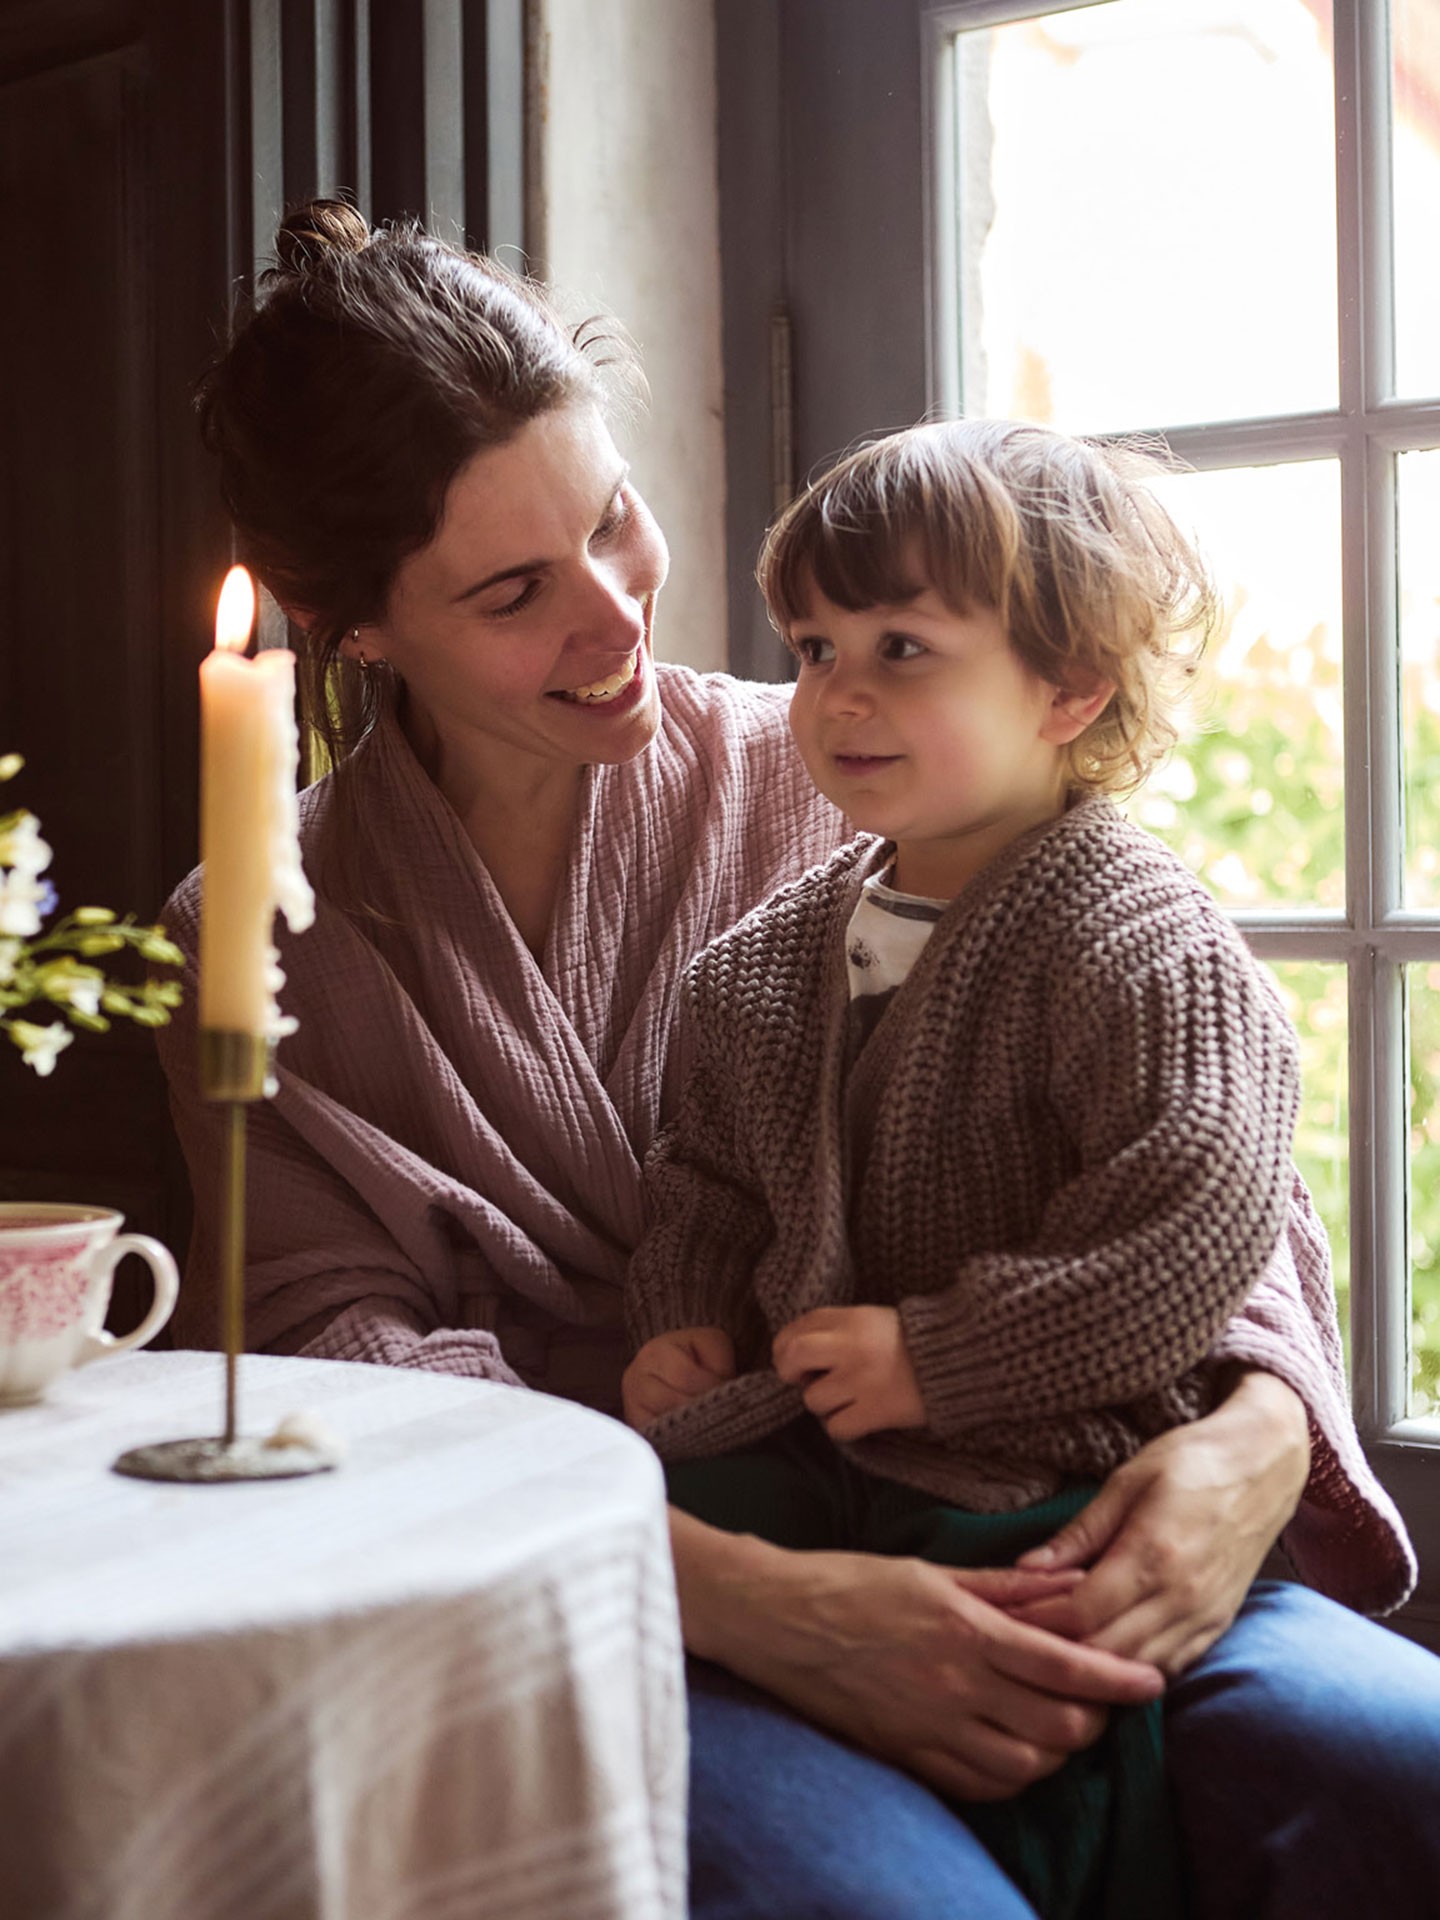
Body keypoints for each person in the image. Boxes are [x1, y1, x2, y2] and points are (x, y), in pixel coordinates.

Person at [159, 200, 1440, 1920]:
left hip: (1024, 1496)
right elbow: (345, 1367)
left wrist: (1251, 1447)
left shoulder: (858, 772)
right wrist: (769, 1603)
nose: (613, 615)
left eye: (614, 519)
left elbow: (1199, 1148)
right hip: (608, 1593)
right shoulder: (270, 927)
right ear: (361, 627)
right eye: (516, 592)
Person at [619, 419, 1409, 1918]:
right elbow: (706, 1177)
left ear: (1069, 689)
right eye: (812, 643)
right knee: (657, 1549)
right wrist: (682, 1309)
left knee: (1054, 1699)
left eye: (904, 645)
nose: (839, 691)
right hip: (799, 1458)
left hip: (1052, 1465)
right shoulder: (754, 974)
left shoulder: (1141, 942)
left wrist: (943, 1356)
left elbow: (1191, 1220)